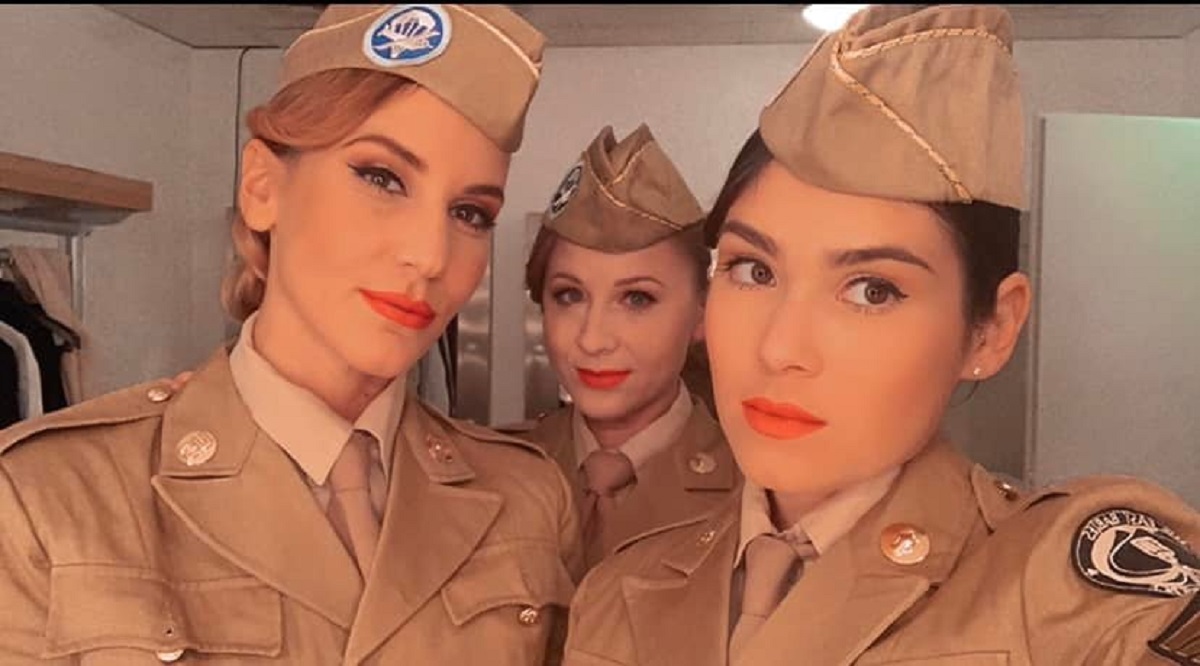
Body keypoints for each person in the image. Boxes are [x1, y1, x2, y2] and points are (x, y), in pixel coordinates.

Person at [561, 5, 1200, 665]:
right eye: (754, 271)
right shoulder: (616, 592)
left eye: (872, 290)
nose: (780, 349)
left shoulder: (1062, 594)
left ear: (992, 329)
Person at [0, 4, 582, 664]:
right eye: (382, 178)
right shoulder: (48, 499)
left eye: (471, 213)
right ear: (262, 186)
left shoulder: (526, 498)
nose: (429, 255)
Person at [500, 124, 740, 570]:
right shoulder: (492, 473)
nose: (593, 339)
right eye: (569, 295)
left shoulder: (757, 490)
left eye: (637, 299)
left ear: (702, 315)